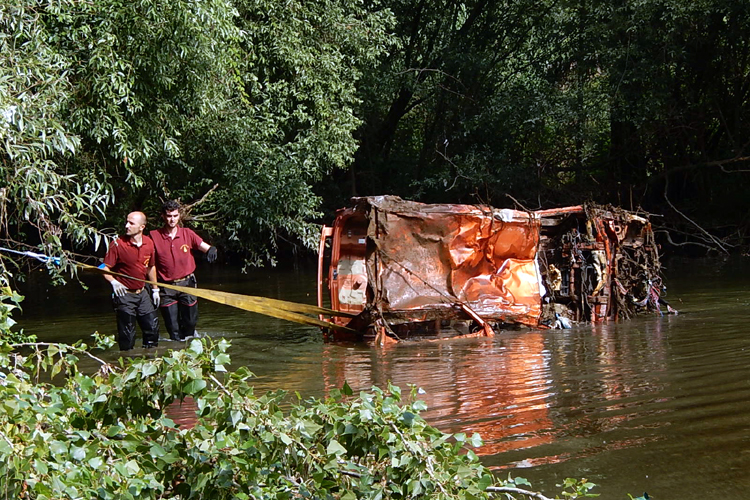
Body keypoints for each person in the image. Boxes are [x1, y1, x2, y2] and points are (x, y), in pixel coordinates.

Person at [150, 200, 217, 341]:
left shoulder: (187, 233)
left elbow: (205, 247)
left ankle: (190, 353)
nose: (172, 219)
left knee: (190, 325)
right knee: (173, 330)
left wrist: (212, 249)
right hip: (166, 287)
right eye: (169, 216)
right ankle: (177, 352)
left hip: (187, 284)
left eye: (175, 215)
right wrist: (154, 289)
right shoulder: (154, 236)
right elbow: (149, 265)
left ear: (179, 215)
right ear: (163, 216)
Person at [102, 211, 160, 350]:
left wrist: (155, 289)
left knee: (152, 329)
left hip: (142, 293)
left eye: (131, 223)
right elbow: (104, 267)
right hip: (124, 294)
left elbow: (150, 267)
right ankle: (126, 363)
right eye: (126, 222)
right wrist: (113, 282)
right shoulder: (118, 243)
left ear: (141, 227)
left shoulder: (149, 243)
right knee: (127, 336)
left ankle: (152, 361)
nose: (127, 225)